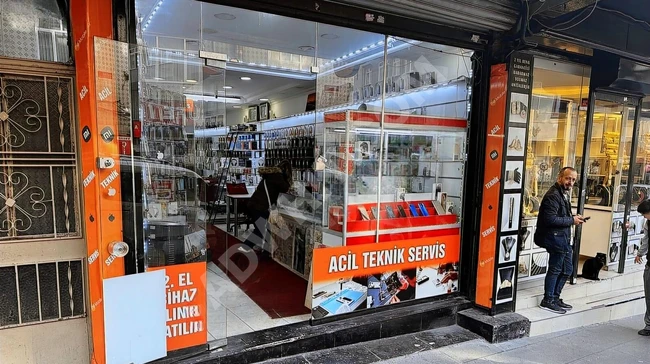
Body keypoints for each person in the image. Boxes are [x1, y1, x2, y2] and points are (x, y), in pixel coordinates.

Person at [535, 166, 585, 314]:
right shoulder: (553, 195)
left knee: (567, 269)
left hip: (563, 239)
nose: (571, 182)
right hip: (555, 239)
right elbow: (550, 219)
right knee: (556, 269)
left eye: (573, 180)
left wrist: (574, 218)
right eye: (568, 178)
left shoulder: (562, 193)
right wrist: (571, 220)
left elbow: (559, 216)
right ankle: (548, 299)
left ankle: (555, 297)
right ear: (560, 178)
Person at [242, 160, 292, 256]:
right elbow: (285, 188)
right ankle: (246, 246)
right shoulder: (277, 176)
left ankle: (266, 250)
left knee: (264, 228)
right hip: (261, 206)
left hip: (256, 205)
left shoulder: (270, 175)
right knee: (262, 229)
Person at [634, 200, 650, 336]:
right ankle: (649, 325)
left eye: (645, 214)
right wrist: (640, 253)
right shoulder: (648, 224)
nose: (644, 216)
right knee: (649, 296)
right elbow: (646, 240)